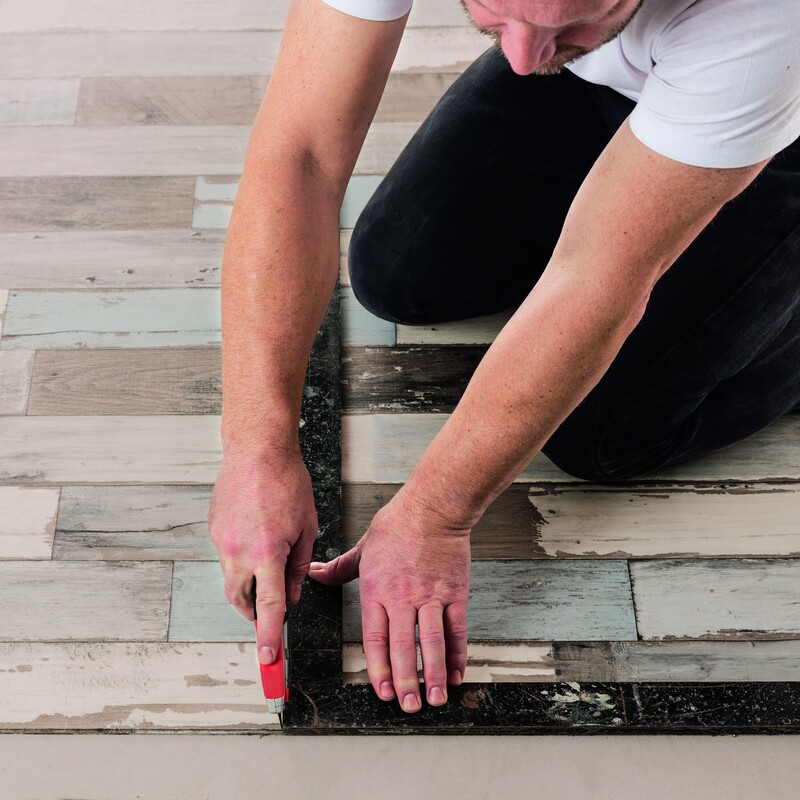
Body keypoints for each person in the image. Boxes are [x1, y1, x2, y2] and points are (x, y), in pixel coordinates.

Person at [208, 0, 800, 715]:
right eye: (494, 15)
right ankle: (625, 126)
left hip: (778, 114)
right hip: (623, 75)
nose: (518, 58)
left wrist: (435, 515)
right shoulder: (540, 42)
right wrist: (255, 447)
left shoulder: (766, 18)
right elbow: (300, 155)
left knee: (602, 431)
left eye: (567, 22)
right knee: (397, 271)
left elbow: (597, 280)